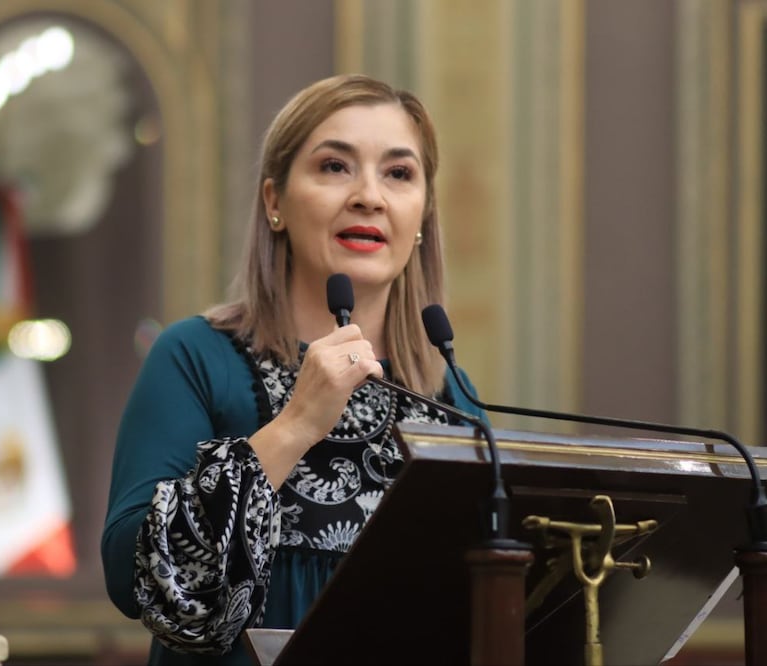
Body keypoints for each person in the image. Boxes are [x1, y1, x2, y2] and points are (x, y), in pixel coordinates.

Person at [101, 73, 485, 666]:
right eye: (335, 167)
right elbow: (136, 578)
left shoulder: (450, 394)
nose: (368, 196)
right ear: (274, 201)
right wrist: (297, 423)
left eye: (399, 173)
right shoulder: (195, 358)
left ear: (423, 214)